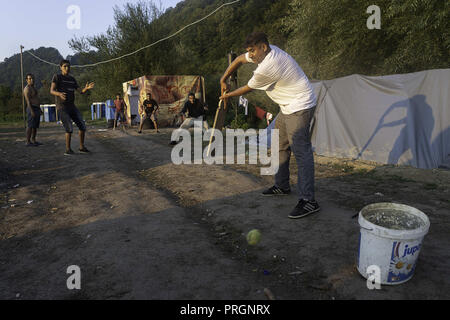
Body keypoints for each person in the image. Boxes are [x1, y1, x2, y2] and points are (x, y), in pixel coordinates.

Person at [219, 32, 320, 219]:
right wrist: (223, 79)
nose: (251, 55)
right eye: (250, 51)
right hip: (287, 106)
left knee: (301, 151)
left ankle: (309, 201)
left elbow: (247, 89)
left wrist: (226, 95)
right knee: (279, 144)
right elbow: (240, 59)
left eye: (253, 51)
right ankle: (282, 185)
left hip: (300, 105)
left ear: (263, 47)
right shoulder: (263, 52)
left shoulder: (269, 65)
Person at [50, 60, 95, 156]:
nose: (67, 68)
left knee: (82, 126)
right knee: (69, 127)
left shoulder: (72, 79)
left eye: (68, 66)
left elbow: (80, 91)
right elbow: (52, 90)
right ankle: (68, 149)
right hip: (62, 107)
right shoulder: (57, 77)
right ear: (60, 67)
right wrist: (59, 94)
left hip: (72, 106)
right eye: (65, 66)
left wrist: (86, 88)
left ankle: (81, 147)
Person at [23, 73, 42, 147]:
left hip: (36, 108)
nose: (32, 80)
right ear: (26, 80)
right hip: (31, 108)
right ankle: (28, 141)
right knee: (30, 125)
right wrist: (31, 111)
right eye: (30, 78)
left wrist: (39, 109)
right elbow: (28, 101)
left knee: (35, 126)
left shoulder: (33, 87)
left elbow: (36, 98)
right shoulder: (27, 89)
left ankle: (34, 140)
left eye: (32, 78)